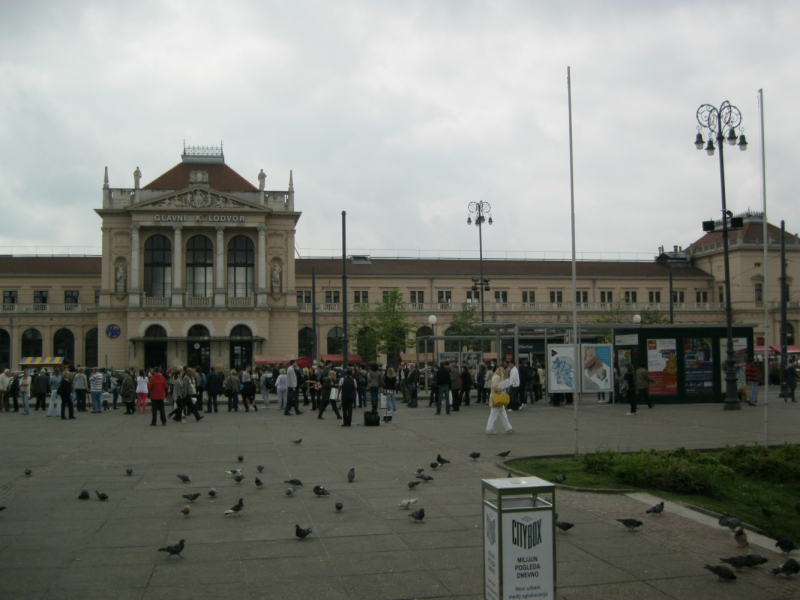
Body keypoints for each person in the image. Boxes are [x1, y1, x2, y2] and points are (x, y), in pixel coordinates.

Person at [487, 366, 515, 434]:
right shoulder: (497, 377)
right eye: (503, 371)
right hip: (496, 397)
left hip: (496, 397)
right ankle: (489, 429)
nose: (504, 372)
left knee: (502, 414)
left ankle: (508, 428)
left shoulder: (496, 376)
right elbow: (495, 386)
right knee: (494, 414)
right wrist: (502, 388)